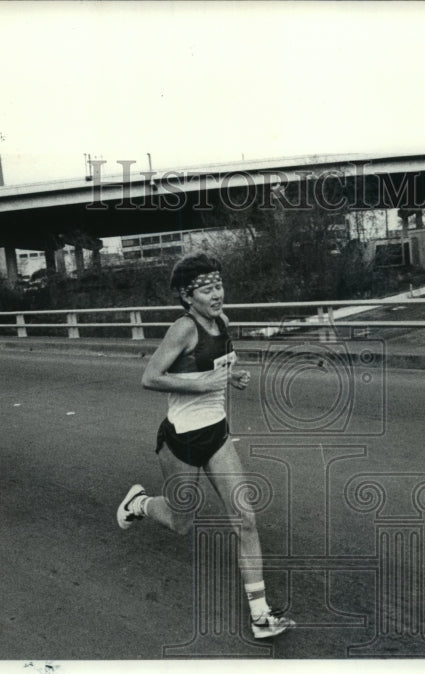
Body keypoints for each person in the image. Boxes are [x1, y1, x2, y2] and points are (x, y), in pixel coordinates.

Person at [116, 253, 295, 639]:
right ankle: (139, 504)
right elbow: (150, 377)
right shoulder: (183, 329)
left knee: (245, 518)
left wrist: (233, 376)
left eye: (219, 285)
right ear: (187, 296)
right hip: (180, 440)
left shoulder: (222, 322)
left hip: (216, 435)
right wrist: (202, 385)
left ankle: (260, 616)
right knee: (181, 523)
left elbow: (215, 367)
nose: (217, 294)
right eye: (207, 289)